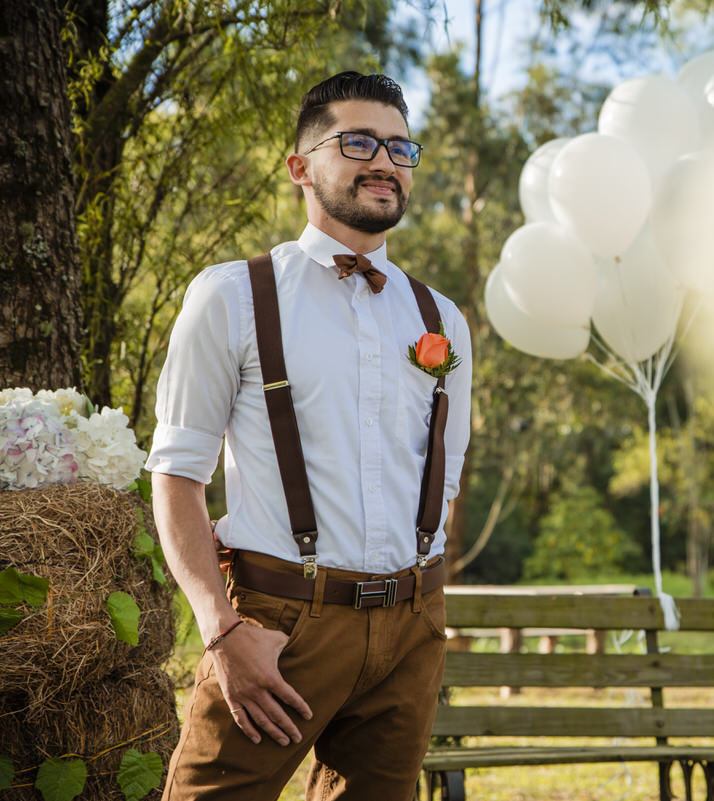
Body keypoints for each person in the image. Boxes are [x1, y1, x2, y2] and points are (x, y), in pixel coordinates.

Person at [146, 71, 472, 801]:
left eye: (399, 146)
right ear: (300, 166)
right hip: (280, 619)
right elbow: (175, 477)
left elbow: (442, 468)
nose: (384, 160)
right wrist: (222, 627)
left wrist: (423, 602)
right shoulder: (231, 296)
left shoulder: (442, 319)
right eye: (357, 141)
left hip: (412, 626)